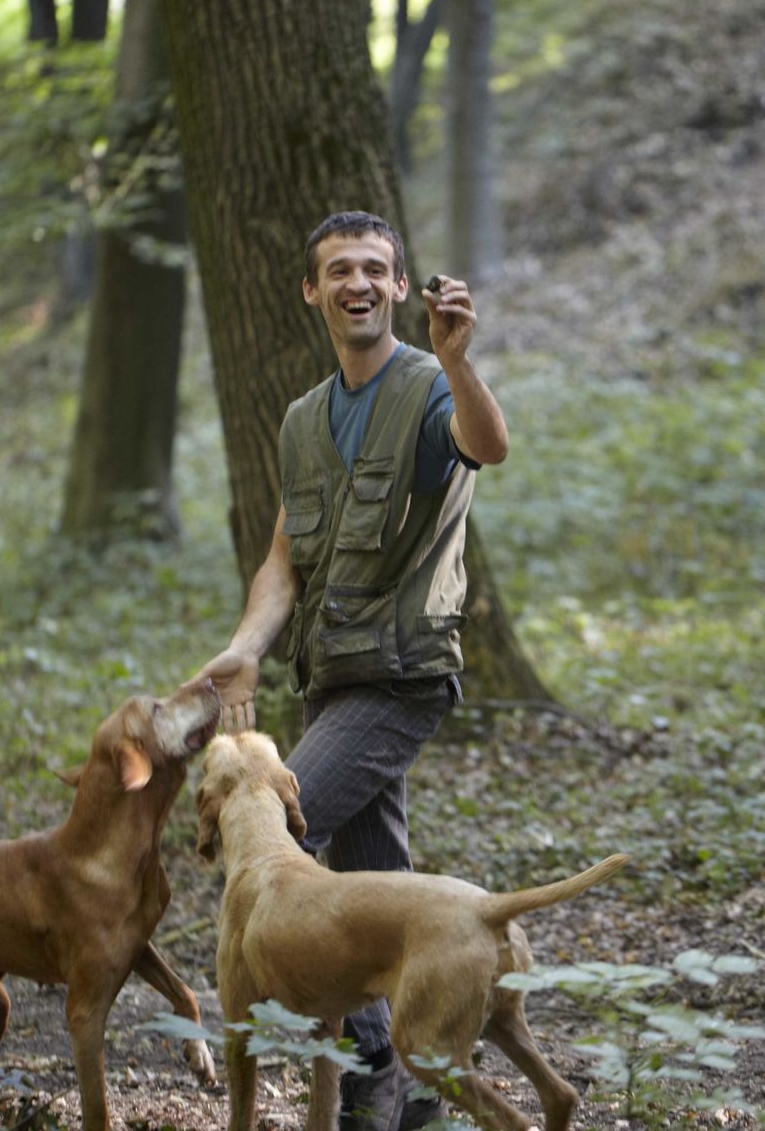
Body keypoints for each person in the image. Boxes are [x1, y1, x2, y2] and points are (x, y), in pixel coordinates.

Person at [196, 210, 508, 1131]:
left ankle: (370, 1064)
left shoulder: (426, 387)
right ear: (312, 289)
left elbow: (487, 446)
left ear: (400, 288)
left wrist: (458, 360)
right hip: (328, 678)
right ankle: (409, 1079)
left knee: (279, 824)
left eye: (375, 268)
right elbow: (282, 564)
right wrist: (246, 645)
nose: (357, 282)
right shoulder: (301, 419)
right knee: (373, 873)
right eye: (339, 269)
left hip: (402, 676)